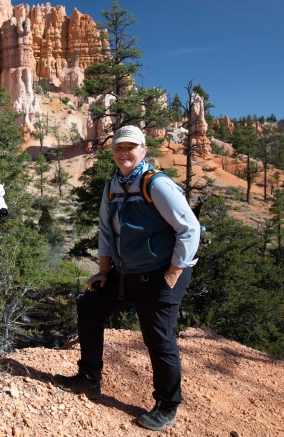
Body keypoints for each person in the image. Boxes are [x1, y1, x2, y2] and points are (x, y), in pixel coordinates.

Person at [53, 125, 200, 431]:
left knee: (158, 338)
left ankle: (167, 405)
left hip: (162, 274)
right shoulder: (113, 187)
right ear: (113, 153)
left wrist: (173, 273)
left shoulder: (156, 184)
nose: (124, 153)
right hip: (126, 273)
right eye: (119, 148)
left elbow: (190, 229)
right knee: (90, 307)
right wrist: (104, 271)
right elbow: (106, 233)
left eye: (130, 147)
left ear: (143, 150)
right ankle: (89, 377)